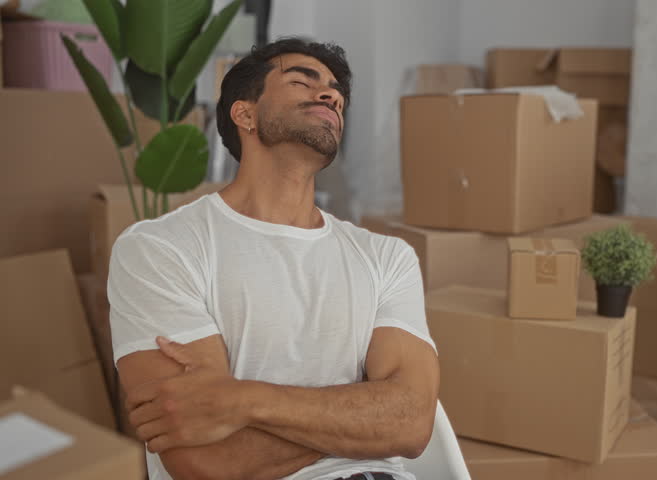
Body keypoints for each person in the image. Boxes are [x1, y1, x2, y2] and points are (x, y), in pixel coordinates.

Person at [108, 37, 439, 480]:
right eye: (303, 81)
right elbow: (207, 461)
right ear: (244, 113)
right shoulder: (159, 249)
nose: (330, 94)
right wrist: (363, 410)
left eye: (335, 90)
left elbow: (412, 423)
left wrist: (240, 401)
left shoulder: (386, 257)